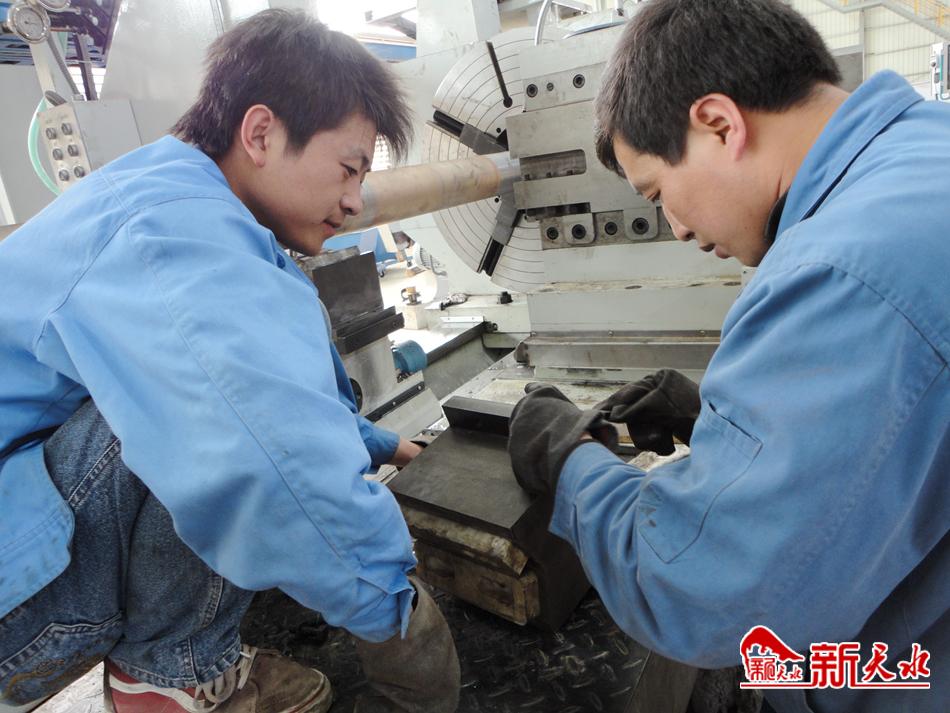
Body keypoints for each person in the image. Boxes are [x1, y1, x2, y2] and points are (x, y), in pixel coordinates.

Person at [0, 10, 459, 713]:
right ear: (261, 133)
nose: (353, 200)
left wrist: (378, 442)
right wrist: (394, 609)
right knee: (207, 433)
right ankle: (175, 677)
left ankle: (162, 669)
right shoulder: (169, 233)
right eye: (348, 169)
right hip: (15, 611)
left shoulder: (173, 197)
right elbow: (264, 450)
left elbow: (273, 387)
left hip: (22, 549)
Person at [507, 2, 949, 712]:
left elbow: (701, 594)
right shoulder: (924, 149)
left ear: (718, 123)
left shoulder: (843, 272)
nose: (677, 227)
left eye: (658, 192)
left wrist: (570, 460)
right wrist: (726, 424)